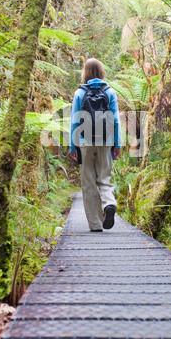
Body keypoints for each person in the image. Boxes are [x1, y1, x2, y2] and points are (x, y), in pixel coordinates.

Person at [69, 58, 121, 232]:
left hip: (84, 142)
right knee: (104, 179)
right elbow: (115, 121)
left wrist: (72, 147)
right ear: (101, 71)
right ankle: (109, 204)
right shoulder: (110, 92)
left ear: (85, 72)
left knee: (89, 183)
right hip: (105, 141)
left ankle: (96, 225)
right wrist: (117, 144)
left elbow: (74, 122)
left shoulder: (79, 93)